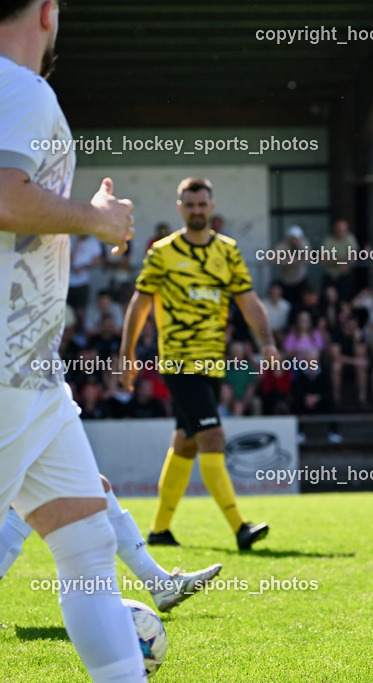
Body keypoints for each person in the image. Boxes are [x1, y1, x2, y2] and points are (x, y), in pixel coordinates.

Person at [0, 1, 148, 677]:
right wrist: (92, 216)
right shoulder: (21, 87)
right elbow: (5, 195)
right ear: (48, 13)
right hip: (5, 368)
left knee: (87, 540)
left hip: (32, 373)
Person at [121, 177, 277, 551]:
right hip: (178, 363)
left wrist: (268, 341)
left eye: (201, 205)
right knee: (213, 437)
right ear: (180, 208)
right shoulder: (162, 252)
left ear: (211, 206)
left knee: (186, 445)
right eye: (189, 205)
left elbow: (248, 300)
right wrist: (126, 354)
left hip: (213, 365)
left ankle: (159, 531)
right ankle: (240, 527)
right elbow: (139, 305)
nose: (196, 211)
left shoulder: (228, 251)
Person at [1, 473, 221, 612]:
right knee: (28, 495)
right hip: (25, 406)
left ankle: (160, 583)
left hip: (40, 406)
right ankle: (160, 584)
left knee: (96, 486)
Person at [322, 218, 359, 301]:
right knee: (328, 299)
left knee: (344, 300)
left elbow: (353, 256)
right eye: (338, 229)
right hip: (329, 275)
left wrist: (334, 260)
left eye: (342, 229)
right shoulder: (329, 240)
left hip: (344, 276)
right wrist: (341, 262)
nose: (340, 231)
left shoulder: (350, 238)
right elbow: (324, 258)